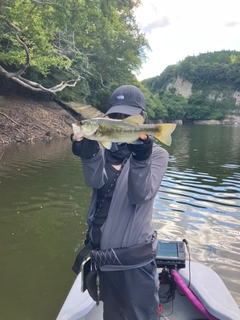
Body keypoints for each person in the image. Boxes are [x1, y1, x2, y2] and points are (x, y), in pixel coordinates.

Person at [71, 85, 169, 320]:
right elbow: (94, 181)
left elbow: (140, 195)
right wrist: (89, 155)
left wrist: (140, 159)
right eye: (115, 116)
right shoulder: (102, 147)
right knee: (112, 315)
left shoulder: (157, 155)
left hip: (135, 263)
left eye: (127, 116)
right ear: (108, 118)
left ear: (141, 118)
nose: (120, 120)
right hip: (104, 261)